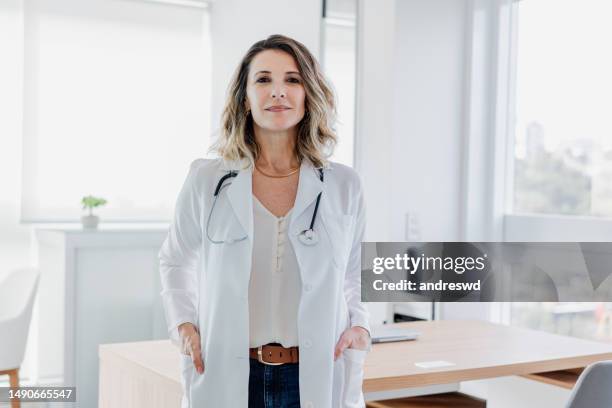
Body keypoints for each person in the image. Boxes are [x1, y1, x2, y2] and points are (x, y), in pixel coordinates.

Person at [159, 34, 370, 408]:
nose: (278, 92)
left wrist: (360, 327)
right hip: (229, 371)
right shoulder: (207, 180)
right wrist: (184, 325)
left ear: (309, 95)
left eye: (292, 80)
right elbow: (175, 259)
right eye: (263, 80)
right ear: (245, 98)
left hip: (312, 376)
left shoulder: (344, 185)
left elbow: (355, 272)